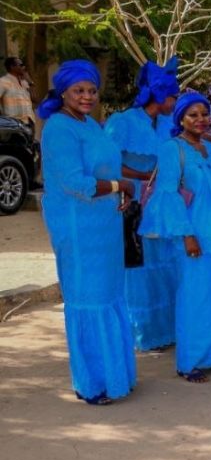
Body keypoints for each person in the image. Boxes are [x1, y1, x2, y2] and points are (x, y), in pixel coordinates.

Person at [39, 60, 136, 405]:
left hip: (105, 226)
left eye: (92, 90)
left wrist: (121, 191)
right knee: (88, 299)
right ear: (63, 92)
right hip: (79, 228)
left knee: (109, 296)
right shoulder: (58, 128)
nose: (87, 96)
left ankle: (116, 375)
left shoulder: (92, 124)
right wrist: (118, 185)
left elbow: (107, 168)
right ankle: (92, 383)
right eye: (79, 90)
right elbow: (75, 182)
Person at [139, 92, 211, 384]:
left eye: (204, 114)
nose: (200, 120)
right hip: (192, 235)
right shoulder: (173, 149)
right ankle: (190, 361)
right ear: (180, 118)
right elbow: (169, 196)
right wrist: (187, 236)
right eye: (192, 115)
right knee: (194, 297)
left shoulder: (209, 147)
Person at [103, 57, 181, 352]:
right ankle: (141, 332)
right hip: (133, 202)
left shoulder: (168, 124)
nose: (175, 101)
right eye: (172, 95)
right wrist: (143, 175)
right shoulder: (122, 123)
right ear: (159, 95)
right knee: (138, 265)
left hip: (162, 203)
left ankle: (167, 329)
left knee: (165, 264)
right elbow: (109, 165)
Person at [1, 56, 36, 127]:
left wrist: (30, 82)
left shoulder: (24, 83)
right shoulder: (3, 81)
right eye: (21, 65)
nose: (24, 67)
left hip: (29, 122)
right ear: (12, 67)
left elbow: (34, 99)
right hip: (13, 124)